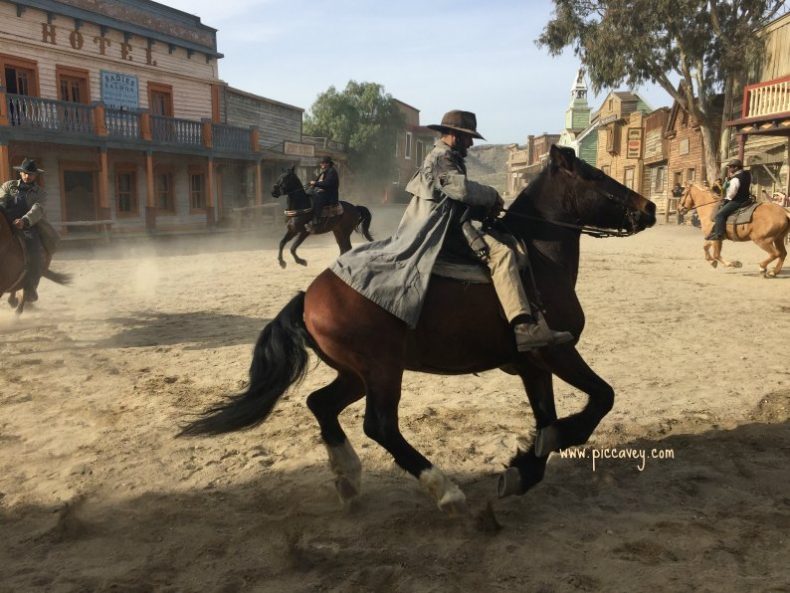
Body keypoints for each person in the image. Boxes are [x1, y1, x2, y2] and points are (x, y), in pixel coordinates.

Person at [331, 110, 573, 351]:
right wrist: (491, 195)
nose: (469, 144)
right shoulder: (442, 158)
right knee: (503, 255)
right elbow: (461, 191)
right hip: (439, 230)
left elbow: (451, 199)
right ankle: (523, 328)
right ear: (455, 135)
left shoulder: (449, 158)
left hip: (449, 223)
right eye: (468, 138)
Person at [0, 158, 50, 302]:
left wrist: (25, 221)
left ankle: (30, 287)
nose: (27, 176)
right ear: (20, 173)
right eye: (25, 173)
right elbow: (2, 201)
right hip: (6, 221)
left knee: (34, 251)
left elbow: (38, 209)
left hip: (27, 225)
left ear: (35, 175)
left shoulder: (40, 193)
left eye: (31, 174)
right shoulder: (9, 186)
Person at [706, 158, 751, 241]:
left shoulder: (736, 179)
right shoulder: (747, 174)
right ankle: (714, 230)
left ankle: (719, 234)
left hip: (737, 201)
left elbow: (731, 194)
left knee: (719, 215)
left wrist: (725, 199)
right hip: (746, 198)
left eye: (730, 167)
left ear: (736, 168)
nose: (729, 169)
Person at [307, 156, 339, 231]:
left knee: (317, 199)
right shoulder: (324, 172)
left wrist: (315, 183)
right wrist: (311, 186)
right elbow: (318, 183)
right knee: (308, 195)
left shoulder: (332, 171)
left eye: (322, 163)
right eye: (321, 163)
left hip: (329, 194)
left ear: (327, 164)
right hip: (322, 192)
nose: (321, 165)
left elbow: (327, 183)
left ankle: (316, 221)